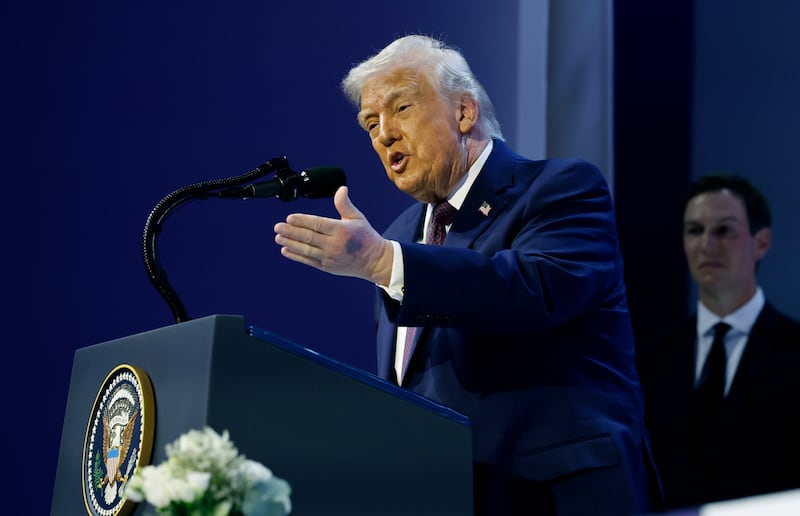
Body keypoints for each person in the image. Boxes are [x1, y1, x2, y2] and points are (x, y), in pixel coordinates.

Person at [273, 34, 660, 515]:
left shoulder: (559, 189)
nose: (384, 134)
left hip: (558, 495)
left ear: (464, 113)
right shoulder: (400, 235)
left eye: (402, 109)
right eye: (371, 124)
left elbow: (531, 290)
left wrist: (383, 263)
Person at [636, 174, 800, 510]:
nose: (707, 245)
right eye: (695, 230)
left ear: (762, 242)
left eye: (724, 230)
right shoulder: (651, 361)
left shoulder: (795, 351)